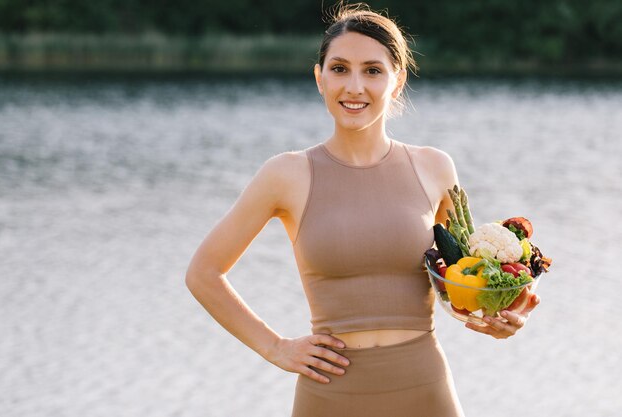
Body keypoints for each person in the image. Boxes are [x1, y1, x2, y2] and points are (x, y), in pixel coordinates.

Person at [185, 3, 540, 416]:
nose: (354, 86)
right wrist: (275, 347)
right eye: (339, 69)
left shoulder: (435, 168)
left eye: (372, 70)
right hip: (329, 392)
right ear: (319, 78)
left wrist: (499, 318)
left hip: (424, 388)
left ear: (397, 80)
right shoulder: (286, 174)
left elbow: (458, 286)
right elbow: (203, 273)